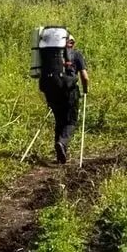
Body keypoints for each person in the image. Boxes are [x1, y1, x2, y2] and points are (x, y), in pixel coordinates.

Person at [44, 33, 88, 165]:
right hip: (70, 93)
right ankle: (62, 143)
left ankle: (60, 155)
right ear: (71, 43)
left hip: (53, 92)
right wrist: (86, 90)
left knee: (59, 121)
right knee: (71, 122)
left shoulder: (51, 57)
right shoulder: (76, 55)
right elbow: (85, 77)